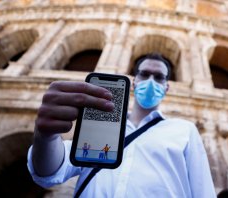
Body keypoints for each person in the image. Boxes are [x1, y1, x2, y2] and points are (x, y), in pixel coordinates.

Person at [27, 53, 216, 197]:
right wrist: (46, 137)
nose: (151, 81)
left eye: (159, 77)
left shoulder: (183, 130)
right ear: (134, 82)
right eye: (145, 74)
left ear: (167, 87)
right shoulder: (100, 124)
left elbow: (203, 191)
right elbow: (50, 171)